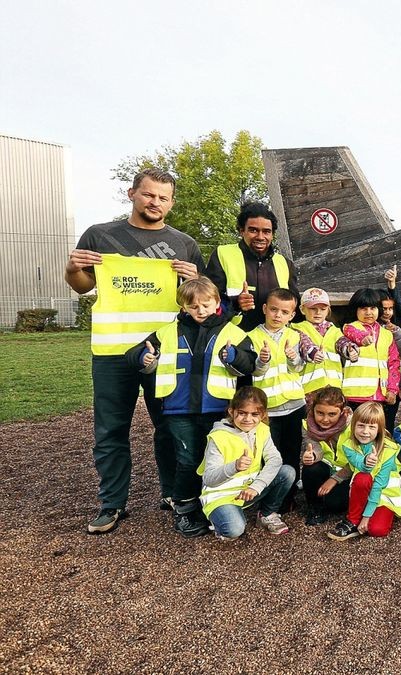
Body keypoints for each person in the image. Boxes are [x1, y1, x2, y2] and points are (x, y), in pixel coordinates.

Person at [66, 168, 205, 533]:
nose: (155, 202)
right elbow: (81, 286)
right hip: (113, 351)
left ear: (171, 202)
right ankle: (112, 504)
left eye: (163, 197)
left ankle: (174, 493)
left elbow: (198, 298)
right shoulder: (101, 234)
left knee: (169, 424)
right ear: (132, 194)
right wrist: (72, 269)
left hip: (166, 351)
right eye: (148, 194)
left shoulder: (185, 244)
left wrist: (193, 278)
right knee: (111, 430)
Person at [129, 277, 257, 537]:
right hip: (179, 409)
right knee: (187, 461)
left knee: (215, 459)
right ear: (183, 307)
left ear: (217, 303)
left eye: (205, 305)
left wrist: (234, 356)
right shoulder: (167, 332)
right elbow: (133, 353)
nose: (200, 311)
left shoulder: (232, 332)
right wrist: (145, 356)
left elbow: (250, 363)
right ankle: (184, 510)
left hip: (218, 409)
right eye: (193, 306)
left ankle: (210, 502)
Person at [198, 386, 295, 540]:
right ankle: (219, 518)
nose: (248, 419)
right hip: (221, 496)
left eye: (254, 414)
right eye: (242, 413)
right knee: (234, 530)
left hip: (248, 491)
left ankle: (266, 514)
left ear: (262, 415)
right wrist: (234, 466)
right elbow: (209, 478)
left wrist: (257, 486)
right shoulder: (218, 437)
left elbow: (275, 459)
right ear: (231, 411)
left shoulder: (262, 429)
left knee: (287, 472)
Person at [247, 288, 307, 510]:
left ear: (292, 315)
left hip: (294, 405)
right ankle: (271, 498)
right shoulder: (252, 336)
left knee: (293, 451)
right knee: (270, 455)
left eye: (284, 312)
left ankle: (289, 498)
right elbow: (254, 372)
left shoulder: (295, 335)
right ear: (264, 309)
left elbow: (299, 368)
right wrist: (262, 361)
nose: (277, 315)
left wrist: (294, 359)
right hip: (268, 408)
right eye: (273, 310)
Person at [206, 202, 299, 332]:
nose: (260, 237)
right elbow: (206, 301)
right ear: (241, 231)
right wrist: (236, 304)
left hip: (274, 342)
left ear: (272, 235)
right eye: (253, 230)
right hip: (234, 339)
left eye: (266, 232)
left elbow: (295, 308)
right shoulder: (223, 254)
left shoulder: (284, 263)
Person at [327, 402, 401, 540]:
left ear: (379, 429)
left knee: (377, 530)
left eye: (371, 427)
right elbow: (360, 465)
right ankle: (353, 520)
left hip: (384, 495)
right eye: (361, 425)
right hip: (362, 491)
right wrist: (367, 462)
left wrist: (367, 517)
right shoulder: (349, 446)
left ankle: (375, 513)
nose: (365, 431)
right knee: (363, 476)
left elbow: (379, 484)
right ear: (353, 425)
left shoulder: (389, 450)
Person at [340, 288, 401, 430]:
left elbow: (394, 363)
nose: (368, 312)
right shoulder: (349, 328)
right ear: (355, 310)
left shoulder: (387, 334)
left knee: (378, 434)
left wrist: (392, 390)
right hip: (356, 396)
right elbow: (354, 334)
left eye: (373, 308)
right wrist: (363, 338)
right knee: (356, 433)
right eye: (363, 308)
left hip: (381, 396)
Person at [299, 385, 353, 526]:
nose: (325, 419)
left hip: (349, 472)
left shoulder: (353, 426)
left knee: (335, 505)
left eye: (332, 414)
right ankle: (315, 508)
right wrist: (311, 456)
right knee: (310, 467)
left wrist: (335, 479)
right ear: (313, 410)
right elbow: (315, 447)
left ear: (342, 412)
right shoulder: (307, 425)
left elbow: (358, 461)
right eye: (320, 413)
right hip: (328, 468)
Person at [295, 288, 344, 395]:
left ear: (328, 310)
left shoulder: (334, 330)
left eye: (322, 309)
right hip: (310, 388)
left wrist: (351, 350)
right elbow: (305, 344)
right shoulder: (296, 329)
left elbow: (343, 343)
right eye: (313, 308)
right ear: (302, 309)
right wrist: (313, 353)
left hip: (334, 386)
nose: (318, 313)